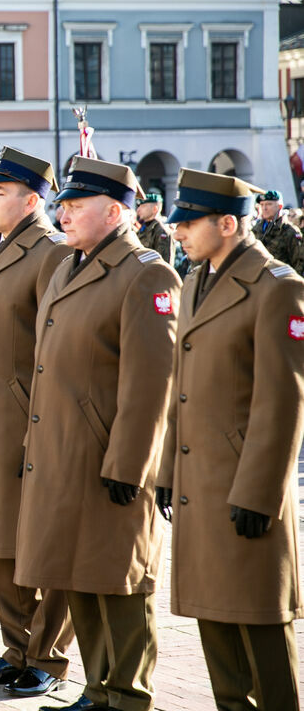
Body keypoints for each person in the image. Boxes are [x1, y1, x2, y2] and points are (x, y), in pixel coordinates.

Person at [15, 157, 179, 711]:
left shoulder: (145, 272)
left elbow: (152, 383)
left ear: (115, 211)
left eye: (75, 205)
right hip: (63, 452)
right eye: (61, 204)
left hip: (110, 458)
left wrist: (130, 465)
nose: (63, 213)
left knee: (121, 582)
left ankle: (127, 696)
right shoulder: (69, 266)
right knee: (77, 573)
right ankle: (97, 688)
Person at [159, 169, 304, 711]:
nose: (178, 232)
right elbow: (183, 389)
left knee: (261, 630)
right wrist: (167, 473)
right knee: (215, 625)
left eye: (189, 222)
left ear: (227, 223)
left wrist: (259, 493)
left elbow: (283, 400)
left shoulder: (277, 286)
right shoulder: (195, 279)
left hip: (245, 488)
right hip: (201, 484)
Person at [0, 148, 75, 697]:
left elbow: (57, 343)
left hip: (27, 420)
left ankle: (46, 657)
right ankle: (16, 647)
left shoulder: (47, 251)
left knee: (39, 547)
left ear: (32, 199)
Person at [252, 189, 304, 275]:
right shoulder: (256, 229)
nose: (264, 208)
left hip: (283, 281)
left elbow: (299, 262)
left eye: (269, 204)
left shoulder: (289, 231)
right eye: (262, 204)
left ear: (280, 206)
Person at [135, 192, 174, 265]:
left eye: (143, 206)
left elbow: (164, 263)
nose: (138, 210)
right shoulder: (143, 228)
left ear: (155, 209)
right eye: (139, 206)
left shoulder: (161, 231)